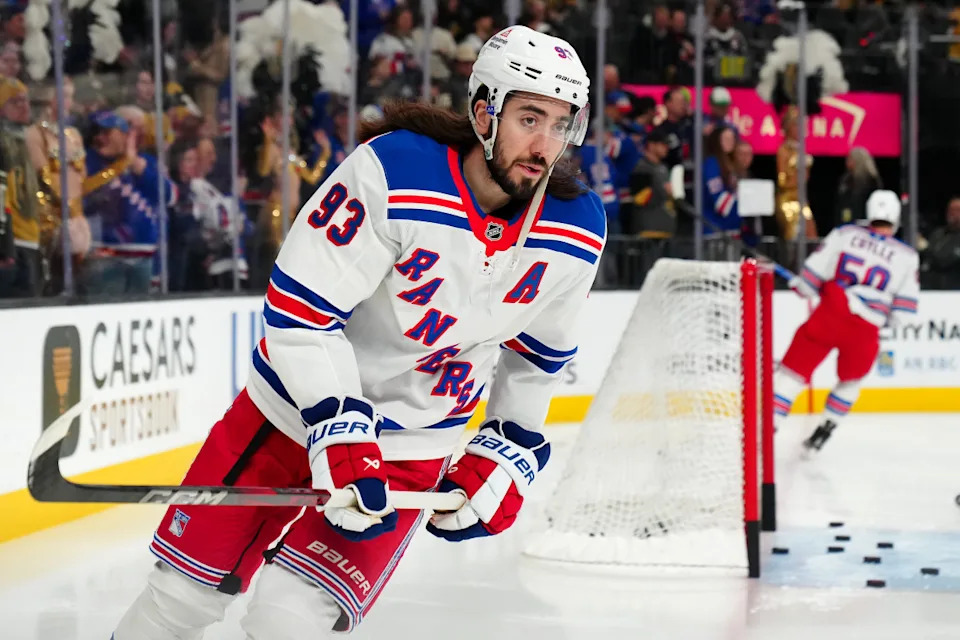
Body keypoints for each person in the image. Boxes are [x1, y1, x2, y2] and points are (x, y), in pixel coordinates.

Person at [114, 24, 602, 639]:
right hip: (287, 416)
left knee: (290, 621)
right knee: (179, 601)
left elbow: (537, 357)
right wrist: (338, 425)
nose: (544, 144)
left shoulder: (576, 226)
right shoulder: (395, 171)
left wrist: (508, 444)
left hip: (414, 446)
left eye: (561, 125)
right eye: (530, 118)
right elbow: (300, 314)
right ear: (485, 112)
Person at [772, 190, 919, 451]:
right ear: (897, 218)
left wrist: (803, 286)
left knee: (793, 372)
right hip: (866, 328)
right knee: (851, 380)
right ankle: (825, 429)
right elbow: (903, 313)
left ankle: (769, 425)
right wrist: (879, 321)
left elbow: (810, 278)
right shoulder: (907, 256)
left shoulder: (845, 234)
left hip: (832, 312)